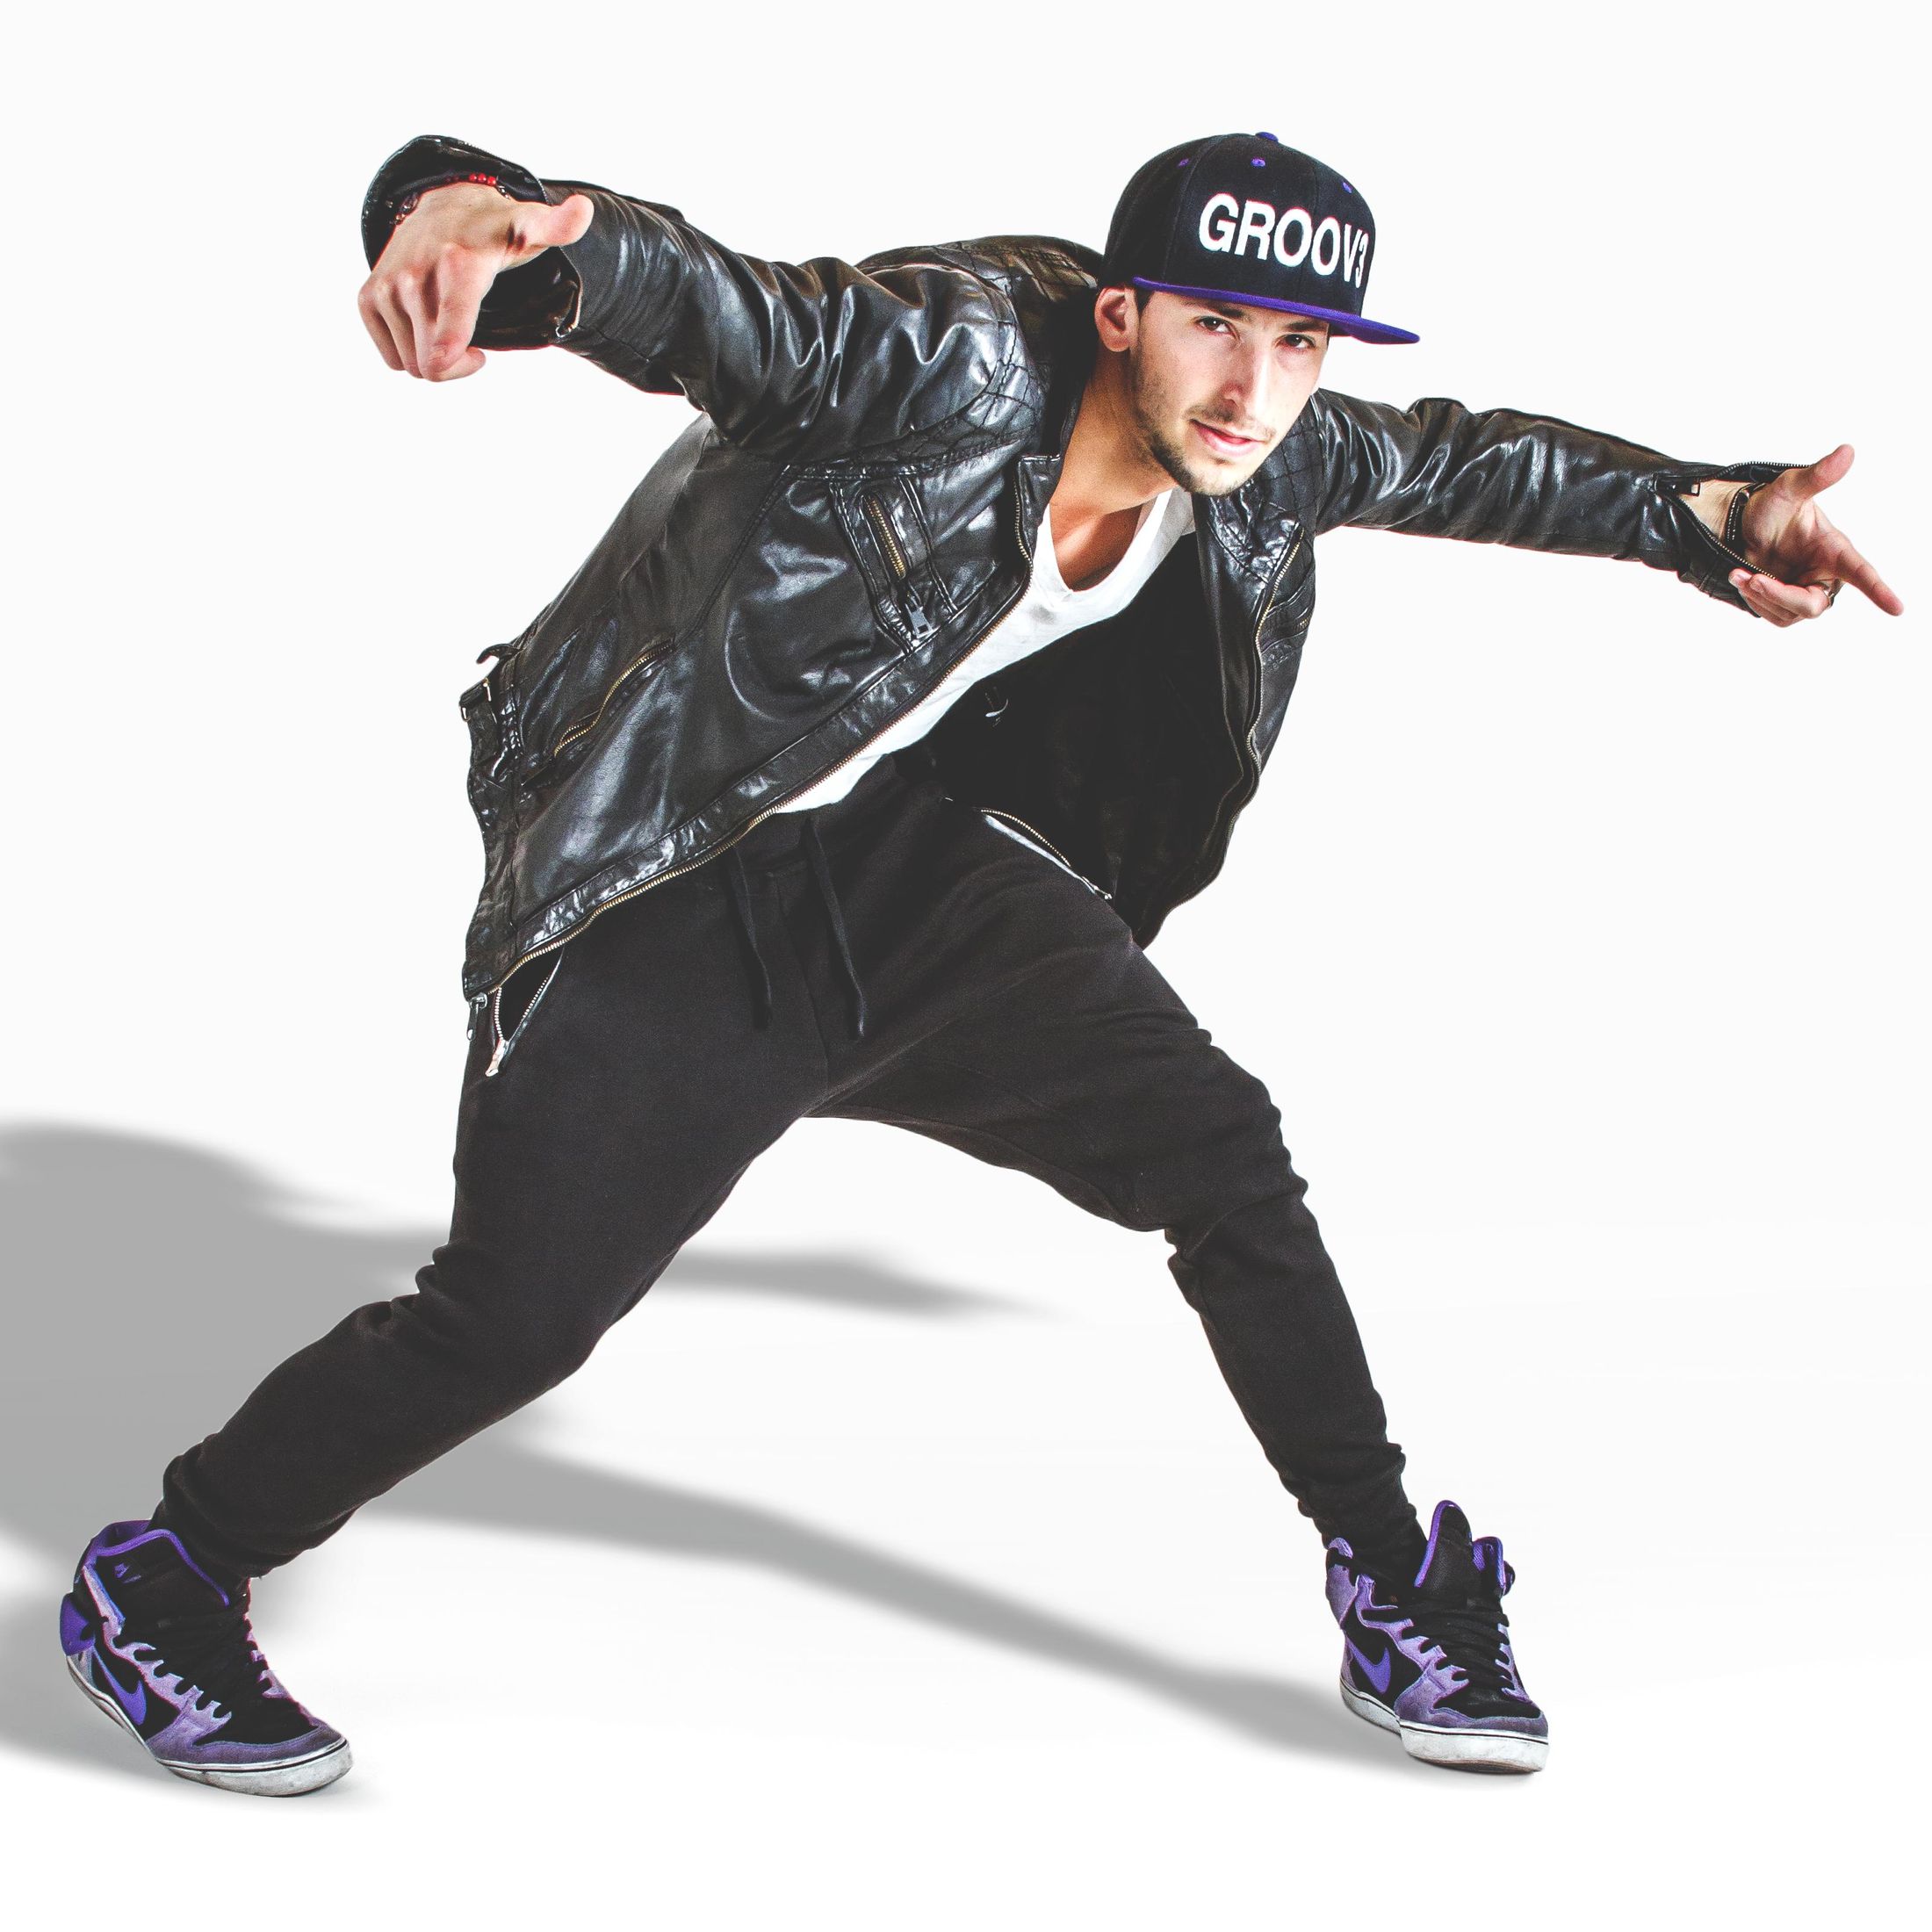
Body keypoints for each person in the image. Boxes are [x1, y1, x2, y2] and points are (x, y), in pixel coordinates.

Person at [58, 129, 1900, 1796]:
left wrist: (1718, 515)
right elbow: (721, 310)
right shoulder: (946, 356)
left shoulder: (1265, 449)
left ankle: (1393, 1576)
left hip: (921, 876)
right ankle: (168, 1571)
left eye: (1299, 344)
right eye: (1213, 327)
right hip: (679, 860)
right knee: (516, 1318)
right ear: (1120, 312)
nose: (1254, 390)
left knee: (1225, 1158)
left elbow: (1466, 462)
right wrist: (481, 223)